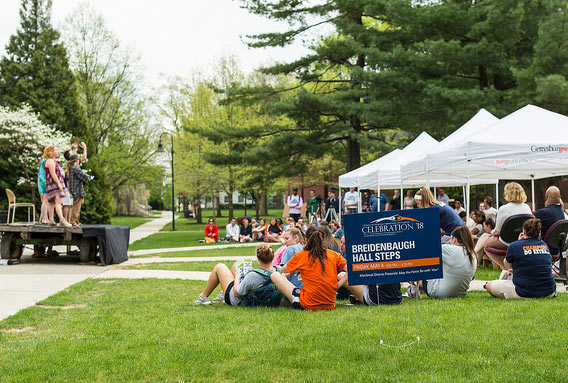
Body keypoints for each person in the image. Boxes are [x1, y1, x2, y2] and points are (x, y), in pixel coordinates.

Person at [270, 226, 348, 311]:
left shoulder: (302, 255)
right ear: (324, 240)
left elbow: (283, 270)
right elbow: (350, 270)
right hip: (330, 303)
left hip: (308, 304)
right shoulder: (334, 255)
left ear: (306, 240)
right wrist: (337, 286)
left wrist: (300, 268)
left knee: (275, 275)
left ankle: (285, 300)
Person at [485, 218, 557, 299]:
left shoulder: (515, 245)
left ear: (524, 231)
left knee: (488, 285)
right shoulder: (544, 245)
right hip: (549, 291)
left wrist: (519, 242)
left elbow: (507, 265)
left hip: (523, 291)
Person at [194, 245, 279, 305]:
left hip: (236, 300)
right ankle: (222, 294)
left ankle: (203, 297)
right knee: (235, 266)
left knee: (220, 267)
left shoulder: (253, 275)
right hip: (257, 296)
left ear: (258, 260)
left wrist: (237, 279)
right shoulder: (277, 271)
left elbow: (237, 293)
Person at [408, 226, 477, 299]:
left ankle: (413, 289)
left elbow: (423, 252)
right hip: (461, 294)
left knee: (420, 265)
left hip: (440, 293)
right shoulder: (472, 254)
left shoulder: (448, 249)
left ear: (454, 239)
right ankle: (415, 288)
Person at [483, 182, 532, 270]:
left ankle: (507, 267)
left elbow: (497, 232)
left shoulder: (503, 209)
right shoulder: (527, 207)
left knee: (486, 245)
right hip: (522, 240)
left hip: (506, 242)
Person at [43, 145, 72, 227]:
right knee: (58, 202)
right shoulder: (50, 161)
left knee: (52, 203)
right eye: (56, 150)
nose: (58, 151)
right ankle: (62, 220)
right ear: (51, 152)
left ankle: (51, 220)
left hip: (52, 184)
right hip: (54, 185)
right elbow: (53, 174)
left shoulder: (52, 161)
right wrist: (59, 184)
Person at [534, 186, 566, 254]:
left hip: (542, 250)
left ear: (546, 197)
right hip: (557, 249)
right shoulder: (562, 213)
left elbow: (527, 226)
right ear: (560, 197)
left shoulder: (541, 213)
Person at [67, 153, 91, 226]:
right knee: (76, 208)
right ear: (76, 160)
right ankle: (73, 221)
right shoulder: (75, 168)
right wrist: (90, 177)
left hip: (75, 190)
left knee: (78, 207)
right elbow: (84, 176)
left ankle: (76, 221)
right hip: (77, 191)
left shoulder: (72, 168)